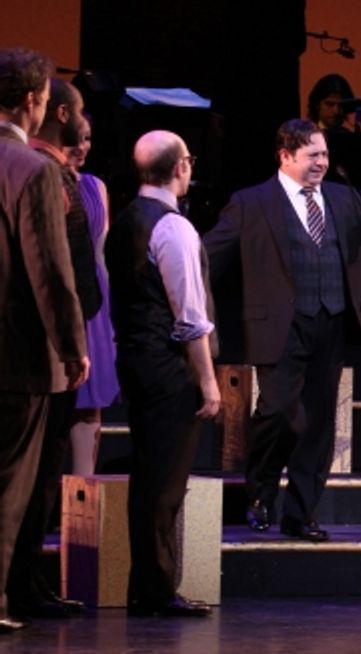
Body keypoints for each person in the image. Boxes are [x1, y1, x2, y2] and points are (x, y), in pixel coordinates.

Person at [205, 119, 361, 542]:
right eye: (313, 155)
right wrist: (169, 267)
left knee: (319, 423)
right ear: (286, 157)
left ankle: (300, 513)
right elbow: (208, 255)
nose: (322, 162)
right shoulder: (251, 203)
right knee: (278, 413)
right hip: (280, 326)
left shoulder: (342, 198)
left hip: (331, 322)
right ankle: (260, 492)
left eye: (325, 153)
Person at [107, 130, 218, 617]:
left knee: (150, 477)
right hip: (168, 367)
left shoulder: (126, 218)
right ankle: (154, 590)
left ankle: (147, 587)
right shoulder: (173, 227)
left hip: (135, 358)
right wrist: (209, 381)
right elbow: (190, 316)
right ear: (180, 168)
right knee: (165, 484)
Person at [0, 47, 89, 635]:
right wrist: (72, 346)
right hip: (16, 356)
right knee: (9, 485)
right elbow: (51, 273)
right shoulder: (32, 170)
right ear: (33, 101)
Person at [67, 117, 119, 475]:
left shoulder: (95, 186)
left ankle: (82, 488)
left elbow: (102, 252)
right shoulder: (43, 178)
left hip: (95, 299)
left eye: (87, 138)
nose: (82, 146)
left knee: (90, 404)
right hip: (61, 293)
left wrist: (109, 314)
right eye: (76, 138)